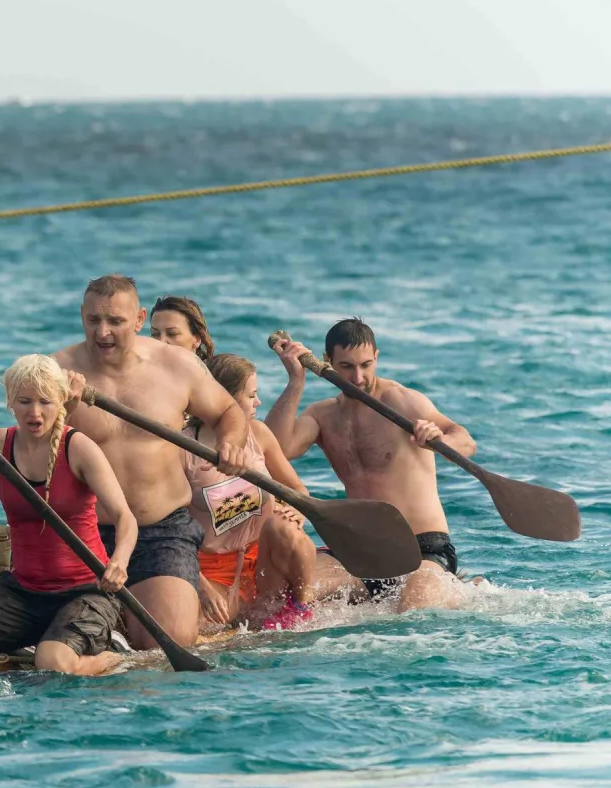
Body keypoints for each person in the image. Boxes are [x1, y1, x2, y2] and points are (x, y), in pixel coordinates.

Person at [54, 275, 251, 650]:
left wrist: (230, 444)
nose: (103, 332)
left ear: (140, 318)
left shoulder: (177, 365)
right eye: (93, 320)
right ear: (81, 316)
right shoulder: (55, 371)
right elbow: (27, 451)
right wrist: (61, 406)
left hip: (162, 532)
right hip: (85, 534)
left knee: (168, 644)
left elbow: (228, 411)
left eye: (115, 321)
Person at [149, 296, 363, 629]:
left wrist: (296, 507)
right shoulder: (180, 446)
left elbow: (298, 490)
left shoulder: (258, 434)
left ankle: (299, 608)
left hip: (260, 561)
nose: (258, 401)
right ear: (224, 397)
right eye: (251, 395)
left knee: (283, 528)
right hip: (210, 568)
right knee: (198, 634)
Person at [0, 356, 137, 675]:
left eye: (45, 401)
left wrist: (120, 561)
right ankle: (41, 639)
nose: (35, 412)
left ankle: (110, 652)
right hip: (23, 593)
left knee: (51, 665)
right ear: (10, 402)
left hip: (85, 593)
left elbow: (124, 517)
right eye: (25, 401)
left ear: (61, 401)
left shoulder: (78, 447)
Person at [265, 318, 477, 610]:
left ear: (376, 358)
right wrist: (295, 380)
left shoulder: (402, 401)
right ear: (327, 362)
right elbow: (276, 448)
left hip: (423, 550)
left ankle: (450, 586)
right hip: (361, 553)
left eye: (366, 365)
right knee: (290, 594)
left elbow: (466, 441)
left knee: (411, 612)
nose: (358, 378)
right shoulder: (322, 415)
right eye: (347, 367)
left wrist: (439, 439)